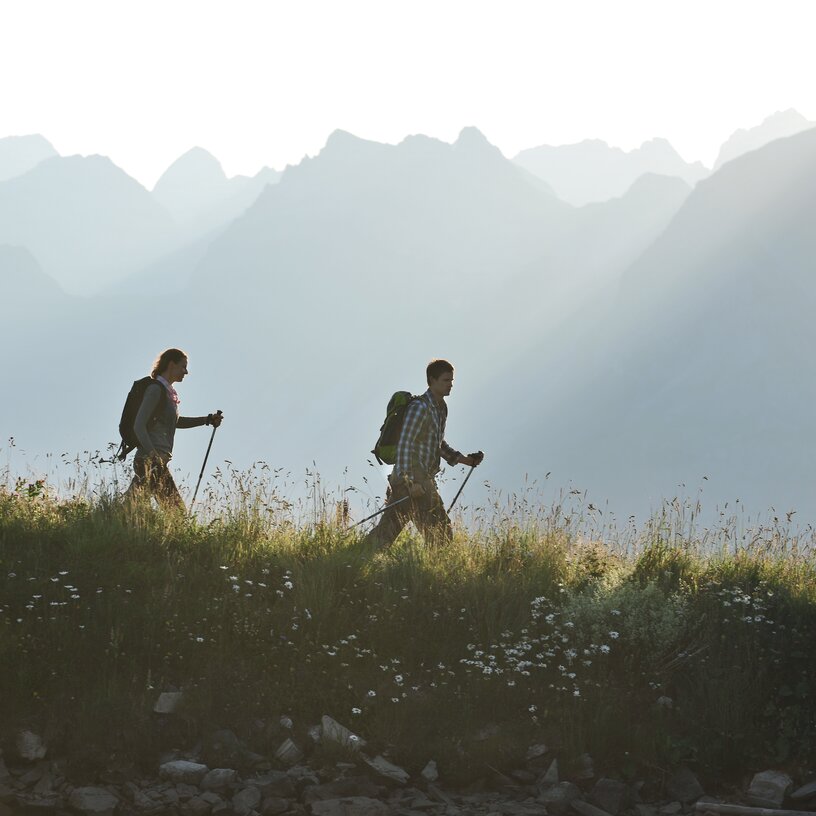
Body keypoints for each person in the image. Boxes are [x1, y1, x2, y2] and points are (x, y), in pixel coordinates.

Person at [366, 359, 483, 547]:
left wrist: (467, 461)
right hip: (412, 482)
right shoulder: (419, 408)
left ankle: (353, 560)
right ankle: (350, 563)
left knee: (385, 536)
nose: (450, 385)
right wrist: (410, 482)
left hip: (422, 481)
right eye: (446, 380)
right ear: (432, 380)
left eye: (452, 381)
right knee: (440, 536)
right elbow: (405, 445)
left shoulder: (441, 408)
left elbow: (438, 444)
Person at [126, 348, 223, 508]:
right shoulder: (155, 390)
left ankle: (104, 517)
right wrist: (153, 455)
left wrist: (207, 420)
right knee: (176, 512)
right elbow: (139, 425)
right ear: (171, 365)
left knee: (131, 507)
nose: (186, 372)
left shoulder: (167, 394)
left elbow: (175, 422)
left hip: (154, 460)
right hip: (150, 460)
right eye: (183, 366)